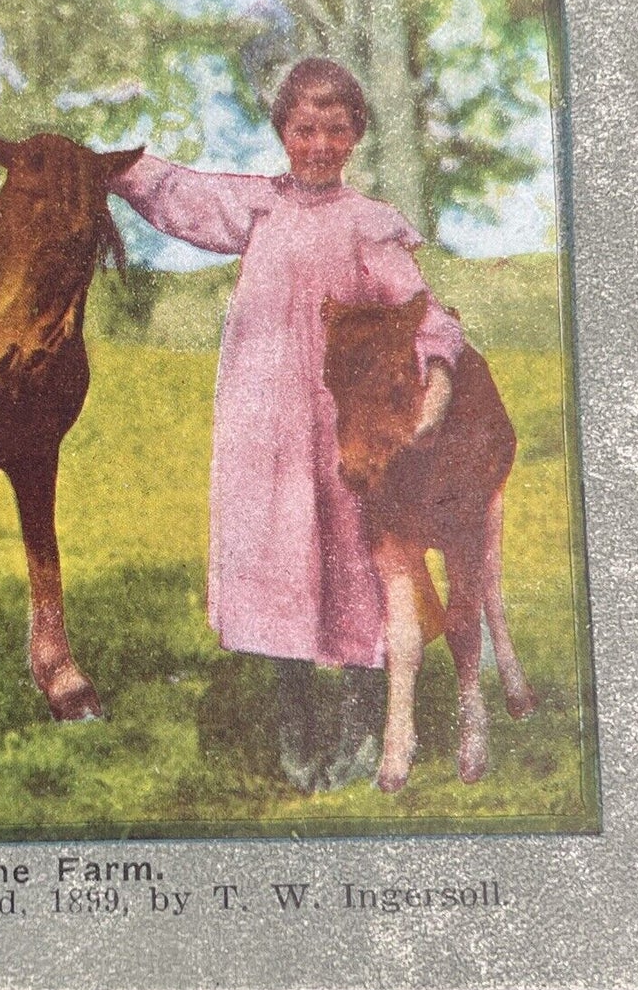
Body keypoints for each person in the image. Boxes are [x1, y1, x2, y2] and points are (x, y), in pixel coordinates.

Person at [109, 59, 462, 792]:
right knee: (274, 555)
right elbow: (180, 194)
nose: (319, 145)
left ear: (356, 134)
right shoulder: (257, 209)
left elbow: (422, 312)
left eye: (335, 130)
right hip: (262, 424)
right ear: (281, 134)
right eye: (304, 130)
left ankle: (363, 725)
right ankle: (293, 720)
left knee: (357, 558)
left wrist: (437, 367)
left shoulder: (366, 225)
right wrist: (106, 166)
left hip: (343, 429)